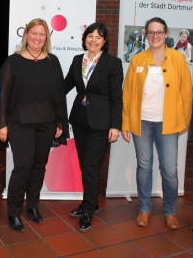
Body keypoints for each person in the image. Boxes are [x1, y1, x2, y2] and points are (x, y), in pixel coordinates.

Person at [0, 18, 68, 232]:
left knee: (39, 166)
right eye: (34, 33)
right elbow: (3, 95)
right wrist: (2, 124)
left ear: (46, 37)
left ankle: (33, 207)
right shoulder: (13, 61)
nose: (38, 38)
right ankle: (14, 212)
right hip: (20, 123)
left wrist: (58, 120)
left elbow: (59, 94)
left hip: (46, 122)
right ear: (26, 34)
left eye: (42, 34)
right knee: (23, 167)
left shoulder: (52, 61)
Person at [121, 17, 193, 230]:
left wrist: (184, 121)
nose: (155, 36)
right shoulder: (137, 59)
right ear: (146, 34)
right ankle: (144, 208)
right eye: (151, 32)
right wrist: (126, 122)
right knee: (144, 166)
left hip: (168, 123)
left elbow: (186, 94)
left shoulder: (178, 59)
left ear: (166, 34)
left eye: (159, 32)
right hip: (141, 121)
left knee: (170, 170)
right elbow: (127, 94)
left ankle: (170, 211)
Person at [65, 22, 123, 232]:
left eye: (98, 37)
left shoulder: (113, 63)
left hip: (101, 123)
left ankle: (88, 210)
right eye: (90, 36)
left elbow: (117, 97)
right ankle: (91, 203)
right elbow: (65, 85)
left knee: (90, 164)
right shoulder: (77, 60)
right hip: (80, 120)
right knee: (85, 164)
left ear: (104, 42)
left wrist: (116, 126)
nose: (93, 40)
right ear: (85, 38)